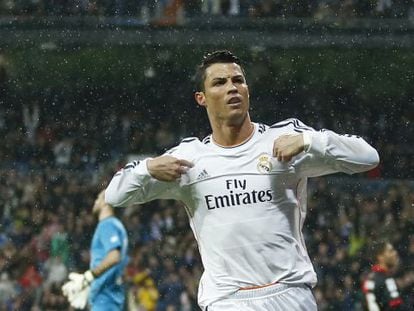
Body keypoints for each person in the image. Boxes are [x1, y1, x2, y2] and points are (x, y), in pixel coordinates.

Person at [105, 50, 379, 310]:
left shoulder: (283, 139)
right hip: (227, 300)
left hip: (290, 294)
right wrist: (148, 168)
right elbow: (115, 195)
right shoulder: (189, 158)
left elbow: (368, 157)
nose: (232, 88)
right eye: (220, 83)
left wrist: (309, 140)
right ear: (201, 98)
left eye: (238, 80)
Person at [62, 190, 128, 310]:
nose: (95, 201)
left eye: (98, 198)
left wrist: (89, 277)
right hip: (109, 298)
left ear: (105, 202)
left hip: (105, 300)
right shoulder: (117, 225)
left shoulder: (107, 225)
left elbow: (114, 256)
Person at [362, 241, 404, 310]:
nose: (395, 253)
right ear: (380, 257)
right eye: (391, 251)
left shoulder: (382, 277)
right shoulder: (378, 280)